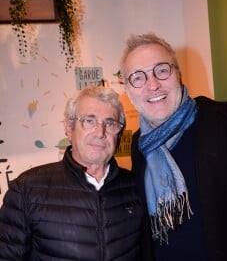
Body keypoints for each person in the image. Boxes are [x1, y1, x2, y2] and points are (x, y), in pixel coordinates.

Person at [120, 32, 227, 261]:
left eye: (162, 70)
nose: (153, 85)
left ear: (178, 74)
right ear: (127, 90)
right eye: (138, 77)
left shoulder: (226, 122)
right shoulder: (140, 146)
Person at [0, 85, 144, 260]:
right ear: (69, 127)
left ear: (119, 133)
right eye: (89, 121)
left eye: (110, 123)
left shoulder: (135, 185)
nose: (100, 132)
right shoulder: (26, 189)